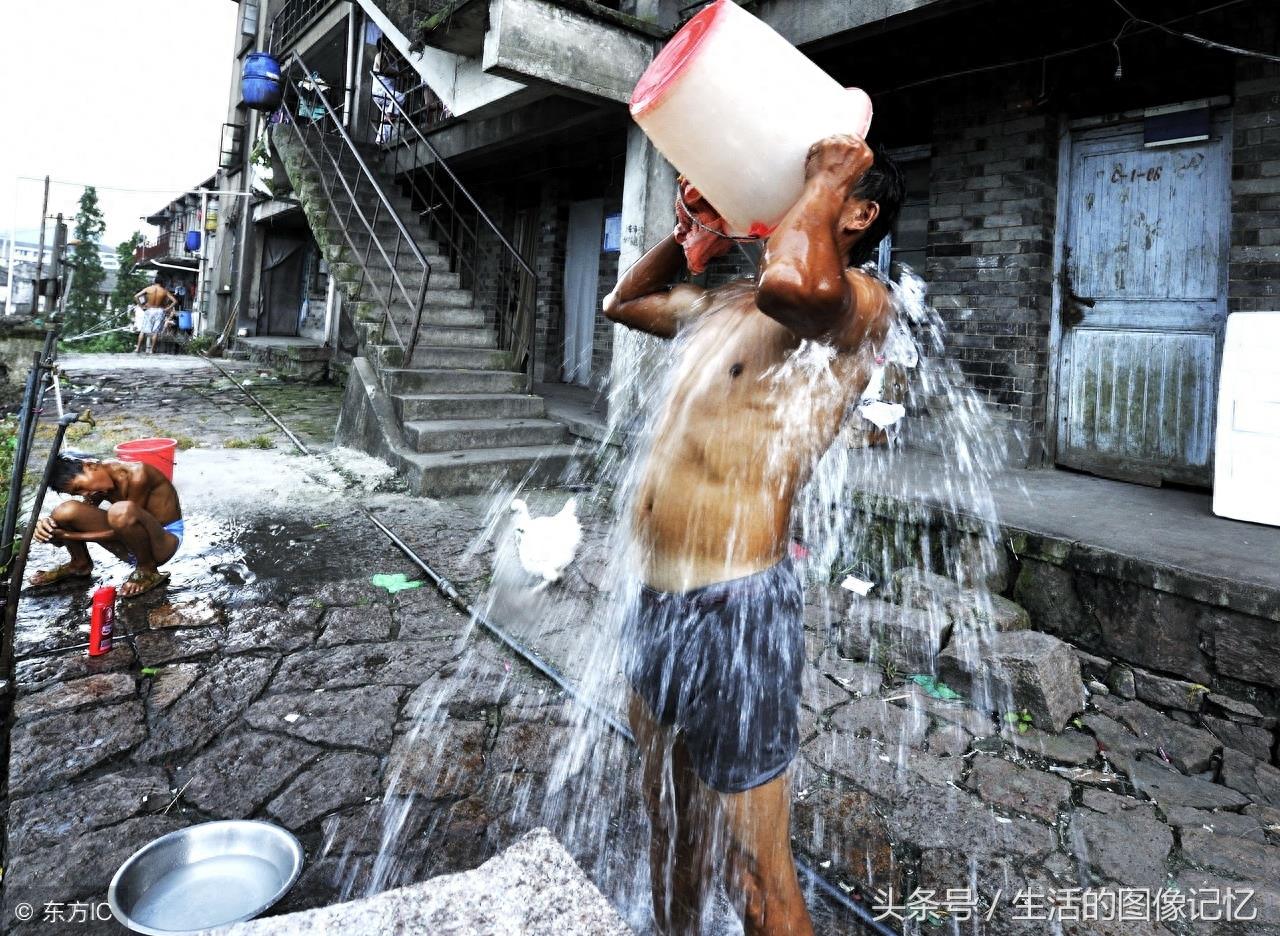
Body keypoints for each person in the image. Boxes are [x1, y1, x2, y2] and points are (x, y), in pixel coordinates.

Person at [603, 134, 904, 936]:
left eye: (822, 184)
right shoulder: (731, 303)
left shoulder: (862, 304)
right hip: (658, 597)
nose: (794, 190)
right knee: (672, 824)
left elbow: (797, 282)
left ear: (860, 211)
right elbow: (624, 305)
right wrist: (689, 236)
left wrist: (829, 172)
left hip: (736, 604)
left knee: (758, 878)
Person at [28, 454, 184, 598]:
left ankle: (147, 570)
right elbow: (76, 521)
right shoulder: (98, 485)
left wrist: (68, 536)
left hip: (163, 543)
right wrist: (48, 527)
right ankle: (79, 564)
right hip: (131, 543)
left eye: (79, 488)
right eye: (78, 493)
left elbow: (125, 525)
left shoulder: (138, 475)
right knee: (64, 511)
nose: (85, 494)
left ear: (90, 466)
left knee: (120, 511)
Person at [134, 279, 177, 354]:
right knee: (156, 332)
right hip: (159, 310)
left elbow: (136, 296)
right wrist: (168, 308)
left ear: (154, 282)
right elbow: (175, 301)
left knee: (143, 330)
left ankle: (138, 348)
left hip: (149, 310)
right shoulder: (164, 291)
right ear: (162, 282)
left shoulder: (148, 289)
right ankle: (152, 350)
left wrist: (141, 306)